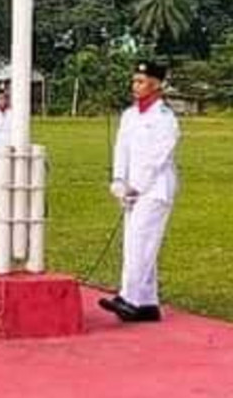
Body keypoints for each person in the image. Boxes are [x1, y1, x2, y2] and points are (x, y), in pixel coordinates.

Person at [99, 61, 179, 324]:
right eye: (134, 81)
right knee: (136, 241)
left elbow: (158, 157)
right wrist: (119, 180)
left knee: (140, 243)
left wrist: (137, 186)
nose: (135, 86)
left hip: (154, 189)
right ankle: (147, 303)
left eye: (141, 81)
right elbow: (121, 150)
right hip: (132, 190)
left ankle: (129, 298)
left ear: (155, 85)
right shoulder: (129, 116)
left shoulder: (165, 119)